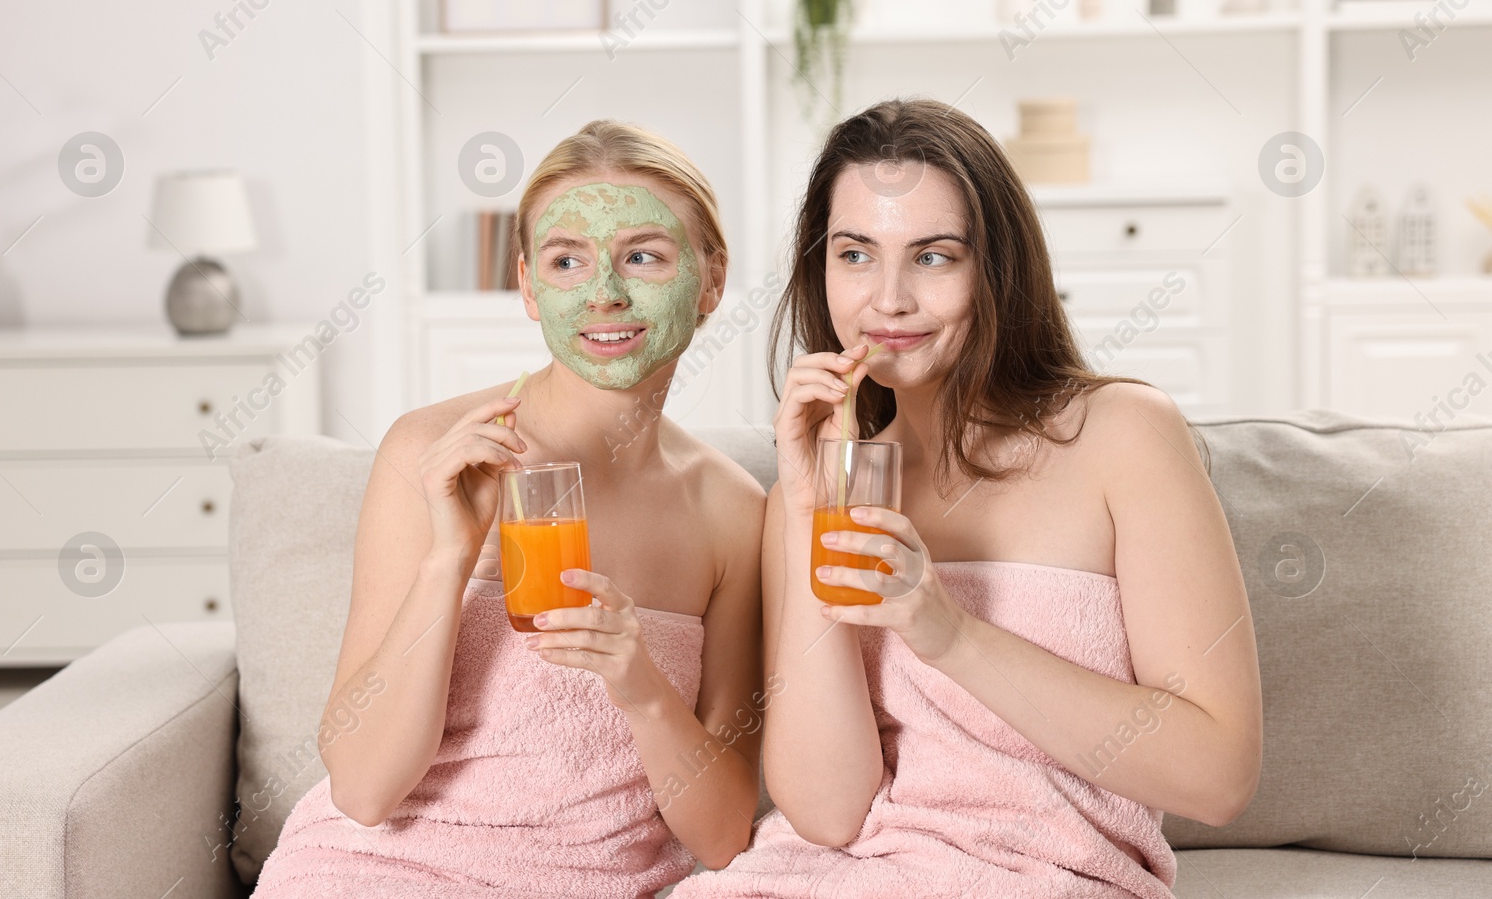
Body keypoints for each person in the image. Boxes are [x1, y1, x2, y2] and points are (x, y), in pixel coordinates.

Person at [672, 99, 1262, 898]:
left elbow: (1218, 775)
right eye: (854, 254)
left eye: (933, 257)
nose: (888, 300)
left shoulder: (1123, 436)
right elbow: (828, 812)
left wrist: (945, 629)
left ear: (997, 268)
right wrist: (810, 508)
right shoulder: (813, 491)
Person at [253, 121, 767, 899]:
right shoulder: (431, 454)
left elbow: (725, 834)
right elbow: (363, 790)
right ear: (529, 286)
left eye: (644, 255)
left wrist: (641, 685)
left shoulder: (733, 512)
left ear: (712, 279)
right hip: (375, 873)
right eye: (568, 260)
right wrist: (447, 560)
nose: (605, 292)